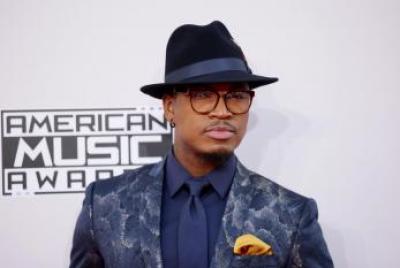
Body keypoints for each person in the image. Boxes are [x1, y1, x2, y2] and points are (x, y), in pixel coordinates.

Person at [69, 21, 333, 268]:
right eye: (204, 95)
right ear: (170, 107)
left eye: (237, 96)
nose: (222, 112)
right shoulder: (105, 204)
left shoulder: (291, 213)